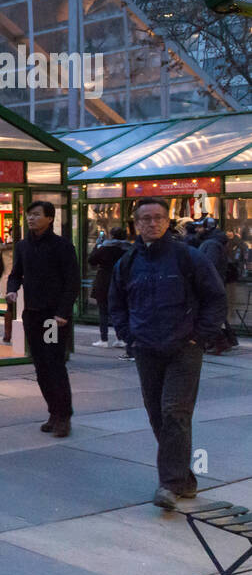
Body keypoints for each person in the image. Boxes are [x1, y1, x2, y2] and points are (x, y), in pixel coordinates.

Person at [109, 198, 227, 510]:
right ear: (136, 224)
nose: (152, 223)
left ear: (167, 221)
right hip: (146, 349)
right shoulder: (128, 262)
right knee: (157, 414)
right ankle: (184, 479)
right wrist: (128, 336)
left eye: (158, 218)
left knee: (175, 412)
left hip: (183, 349)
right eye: (145, 219)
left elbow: (216, 298)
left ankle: (170, 485)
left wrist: (199, 337)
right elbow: (116, 303)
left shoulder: (188, 257)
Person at [5, 201, 79, 437]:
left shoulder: (62, 246)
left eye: (36, 215)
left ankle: (63, 415)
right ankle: (53, 412)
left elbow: (72, 281)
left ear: (50, 218)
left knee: (54, 364)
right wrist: (12, 289)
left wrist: (62, 312)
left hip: (53, 317)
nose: (31, 218)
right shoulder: (23, 246)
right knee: (40, 366)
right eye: (29, 215)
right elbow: (16, 273)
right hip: (32, 314)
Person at [198, 226, 239, 355]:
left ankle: (221, 342)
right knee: (212, 315)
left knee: (207, 315)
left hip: (209, 285)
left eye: (200, 227)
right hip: (214, 284)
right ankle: (222, 342)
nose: (198, 229)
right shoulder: (214, 243)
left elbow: (209, 265)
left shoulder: (211, 244)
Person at [88, 227, 131, 348]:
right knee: (119, 310)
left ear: (111, 235)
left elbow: (91, 260)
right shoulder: (128, 249)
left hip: (104, 280)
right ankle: (121, 338)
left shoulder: (105, 248)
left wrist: (97, 246)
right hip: (121, 282)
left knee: (103, 311)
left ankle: (104, 339)